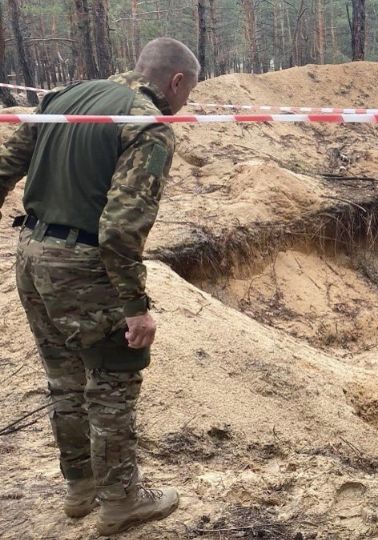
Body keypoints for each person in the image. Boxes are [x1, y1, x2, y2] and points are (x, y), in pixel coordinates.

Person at [0, 37, 199, 535]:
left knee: (64, 379)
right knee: (112, 382)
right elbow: (121, 226)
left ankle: (80, 487)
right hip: (85, 267)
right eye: (188, 93)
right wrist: (135, 304)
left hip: (31, 254)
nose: (186, 104)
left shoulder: (63, 98)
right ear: (176, 81)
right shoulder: (147, 124)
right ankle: (121, 500)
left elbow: (3, 167)